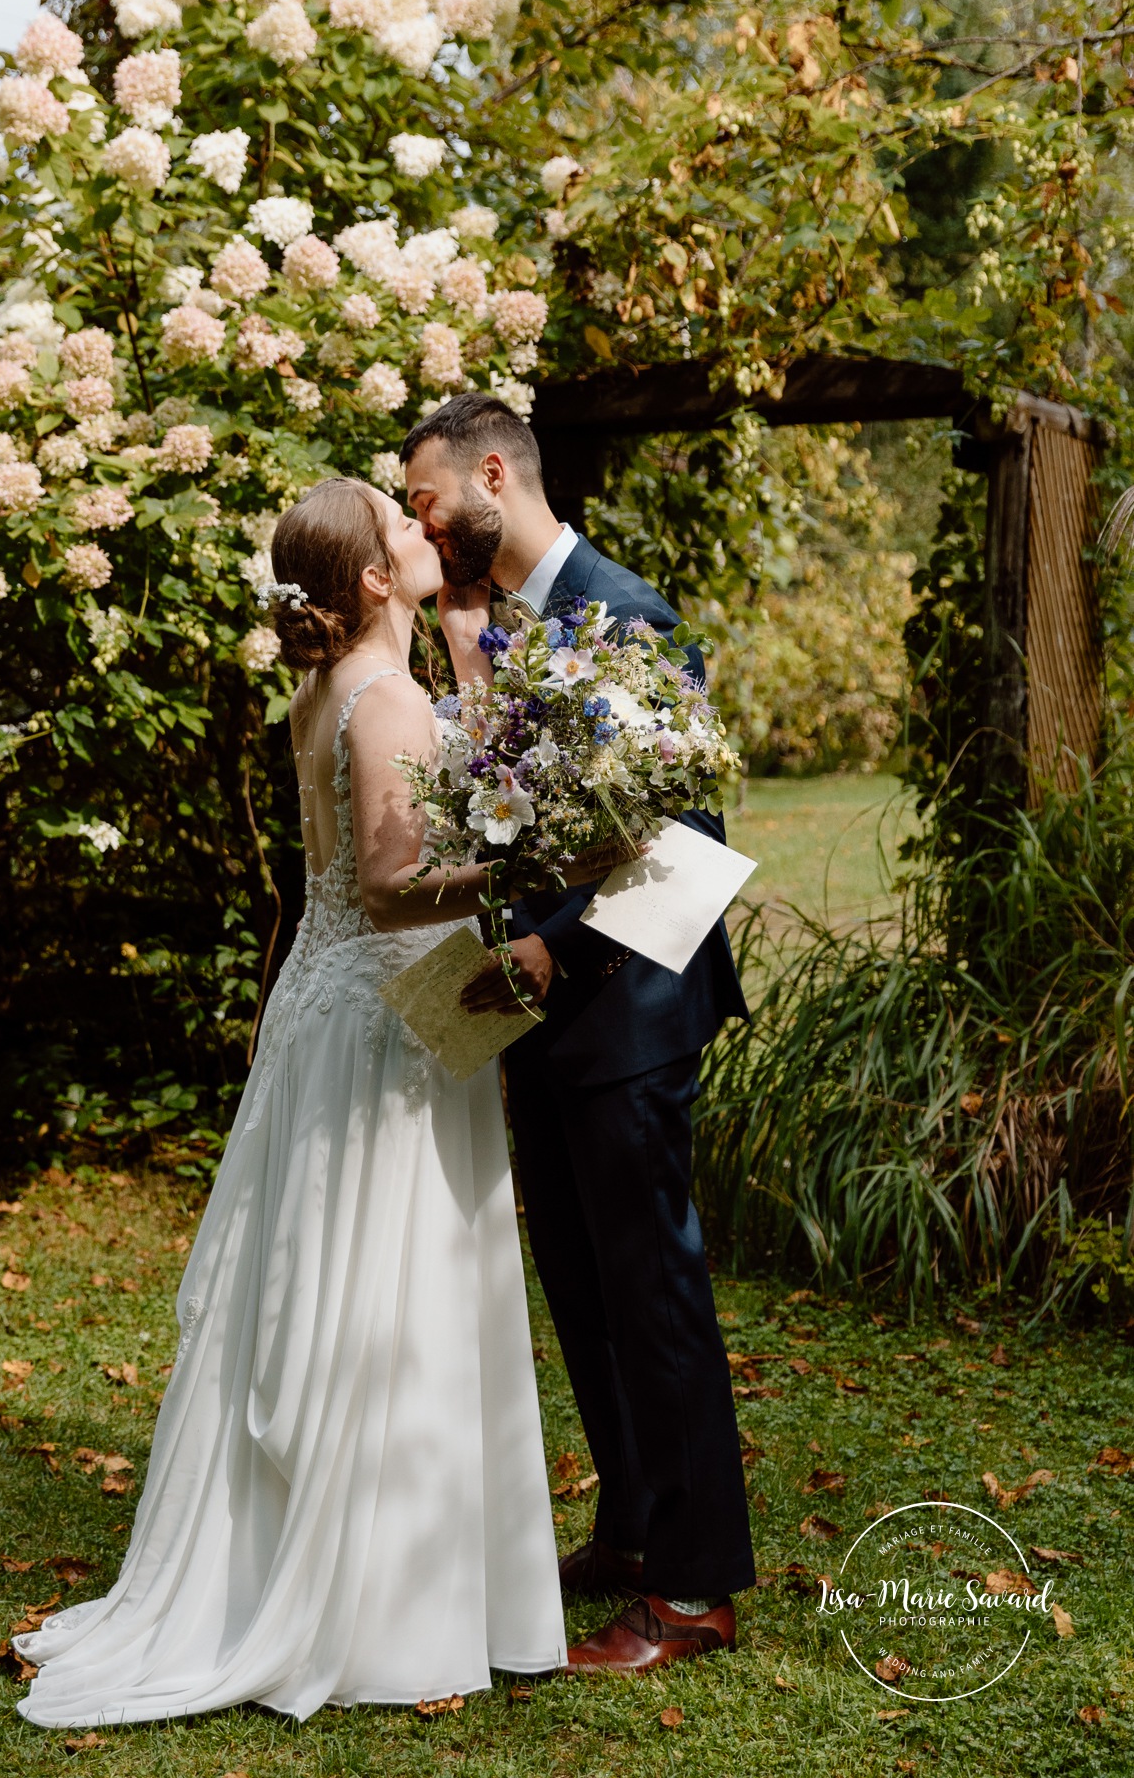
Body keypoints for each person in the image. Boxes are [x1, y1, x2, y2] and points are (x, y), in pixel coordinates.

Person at [13, 478, 573, 1726]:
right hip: (390, 1017)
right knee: (390, 1279)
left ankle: (382, 1569)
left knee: (328, 1276)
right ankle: (384, 1603)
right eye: (406, 529)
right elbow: (385, 885)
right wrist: (546, 859)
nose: (430, 535)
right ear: (373, 578)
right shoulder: (387, 698)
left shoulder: (325, 692)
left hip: (337, 1007)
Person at [401, 392, 756, 1675]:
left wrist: (562, 944)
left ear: (494, 472)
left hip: (630, 1011)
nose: (420, 520)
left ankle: (698, 1586)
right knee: (585, 1295)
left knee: (653, 1292)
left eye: (429, 495)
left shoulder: (627, 612)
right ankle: (631, 1528)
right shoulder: (502, 624)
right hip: (545, 1023)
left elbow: (680, 840)